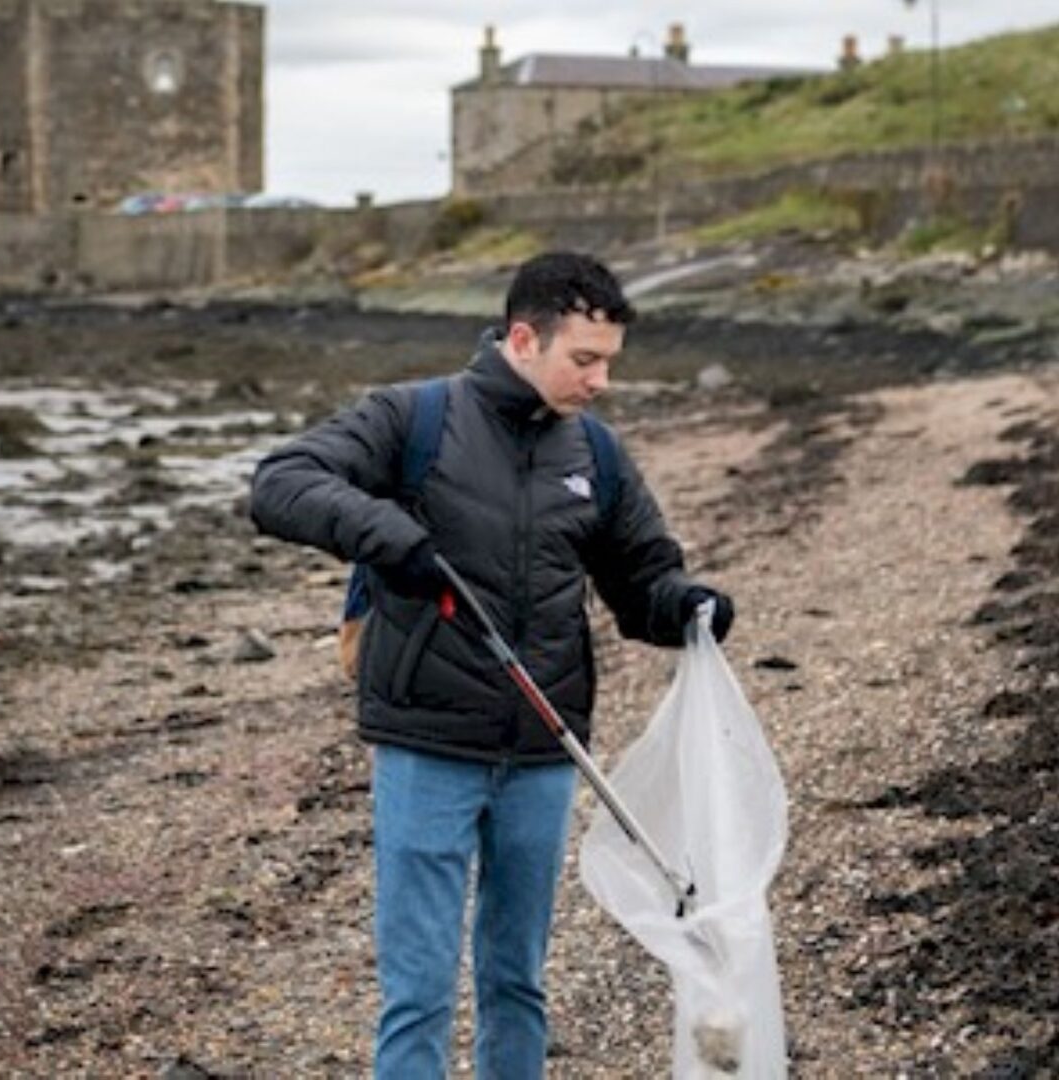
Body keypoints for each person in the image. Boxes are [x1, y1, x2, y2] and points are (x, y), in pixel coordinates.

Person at [248, 251, 734, 1079]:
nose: (600, 379)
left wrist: (690, 605)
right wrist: (386, 536)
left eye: (609, 361)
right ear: (522, 338)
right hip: (427, 746)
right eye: (584, 359)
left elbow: (641, 582)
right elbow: (282, 482)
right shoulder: (416, 420)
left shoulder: (598, 457)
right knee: (420, 991)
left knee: (518, 981)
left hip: (545, 752)